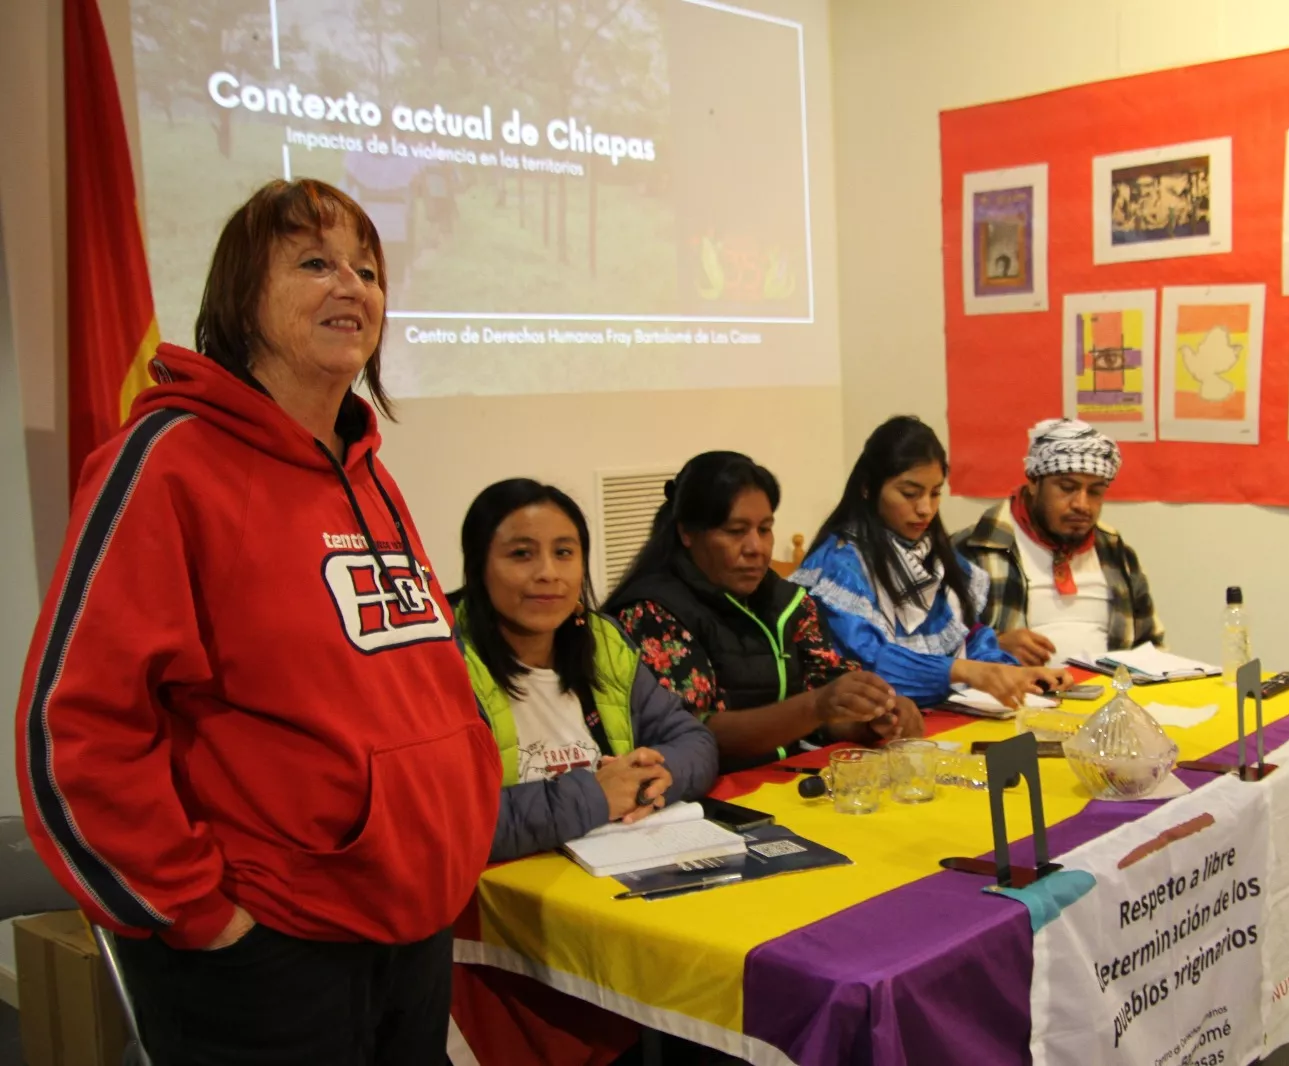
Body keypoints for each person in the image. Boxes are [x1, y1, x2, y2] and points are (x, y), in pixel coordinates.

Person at [13, 179, 501, 1065]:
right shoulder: (167, 464)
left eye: (366, 268)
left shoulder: (367, 474)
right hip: (269, 951)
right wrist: (201, 914)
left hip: (409, 930)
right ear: (242, 298)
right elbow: (74, 728)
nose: (351, 286)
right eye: (315, 263)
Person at [604, 451, 923, 771]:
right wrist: (815, 706)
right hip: (708, 801)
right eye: (735, 531)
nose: (756, 548)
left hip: (786, 781)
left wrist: (871, 718)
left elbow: (828, 713)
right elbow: (694, 734)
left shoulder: (790, 604)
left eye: (765, 528)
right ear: (687, 533)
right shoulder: (651, 614)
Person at [453, 479, 718, 860]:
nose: (548, 572)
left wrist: (661, 776)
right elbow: (457, 822)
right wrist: (597, 795)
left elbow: (696, 742)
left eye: (564, 552)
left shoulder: (602, 643)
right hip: (504, 891)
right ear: (479, 566)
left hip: (616, 869)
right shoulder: (444, 661)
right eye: (521, 554)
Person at [795, 416, 1065, 708]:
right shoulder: (840, 566)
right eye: (909, 494)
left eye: (935, 493)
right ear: (867, 488)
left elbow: (970, 640)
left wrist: (1013, 674)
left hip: (941, 715)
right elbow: (866, 665)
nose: (926, 509)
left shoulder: (934, 555)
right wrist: (960, 671)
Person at [955, 419, 1164, 668]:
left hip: (1108, 700)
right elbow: (929, 653)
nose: (1082, 505)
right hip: (1014, 702)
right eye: (1067, 488)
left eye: (1095, 492)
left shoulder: (1116, 553)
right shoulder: (972, 549)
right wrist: (992, 645)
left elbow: (1151, 648)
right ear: (1033, 482)